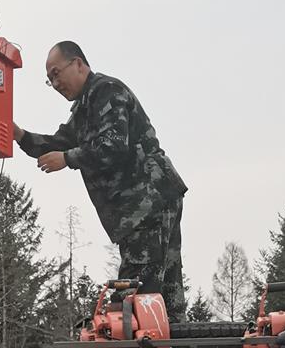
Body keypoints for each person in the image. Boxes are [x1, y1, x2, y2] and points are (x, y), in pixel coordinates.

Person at [13, 42, 187, 319]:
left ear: (79, 64)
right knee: (163, 293)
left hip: (147, 202)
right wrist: (19, 135)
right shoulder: (84, 109)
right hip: (147, 203)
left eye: (57, 73)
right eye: (50, 79)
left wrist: (68, 159)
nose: (55, 83)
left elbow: (114, 145)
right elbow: (57, 143)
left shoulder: (107, 91)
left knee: (135, 296)